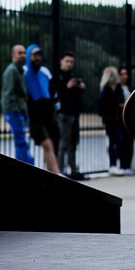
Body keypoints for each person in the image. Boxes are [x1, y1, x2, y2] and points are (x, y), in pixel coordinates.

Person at [24, 44, 62, 174]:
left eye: (39, 55)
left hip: (48, 111)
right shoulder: (24, 72)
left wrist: (55, 105)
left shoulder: (45, 71)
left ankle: (50, 170)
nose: (37, 58)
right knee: (46, 144)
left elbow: (52, 91)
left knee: (53, 141)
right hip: (34, 114)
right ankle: (56, 172)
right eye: (34, 55)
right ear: (29, 56)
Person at [54, 51, 87, 180]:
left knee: (73, 143)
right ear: (61, 61)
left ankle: (73, 170)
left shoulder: (72, 76)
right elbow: (57, 95)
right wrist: (67, 87)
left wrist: (80, 88)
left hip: (74, 114)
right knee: (63, 143)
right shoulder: (57, 77)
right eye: (67, 61)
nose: (69, 64)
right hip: (63, 114)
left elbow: (76, 97)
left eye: (71, 62)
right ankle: (60, 170)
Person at [1, 44, 34, 165]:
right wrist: (16, 110)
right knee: (21, 141)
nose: (23, 55)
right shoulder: (12, 70)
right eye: (19, 53)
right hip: (15, 111)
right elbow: (8, 94)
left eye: (24, 53)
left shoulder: (19, 70)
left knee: (21, 141)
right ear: (13, 55)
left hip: (19, 111)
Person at [97, 66, 127, 175]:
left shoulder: (117, 87)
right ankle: (112, 165)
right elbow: (103, 105)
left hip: (117, 118)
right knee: (113, 141)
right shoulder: (106, 88)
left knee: (118, 141)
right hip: (110, 119)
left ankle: (115, 164)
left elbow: (121, 100)